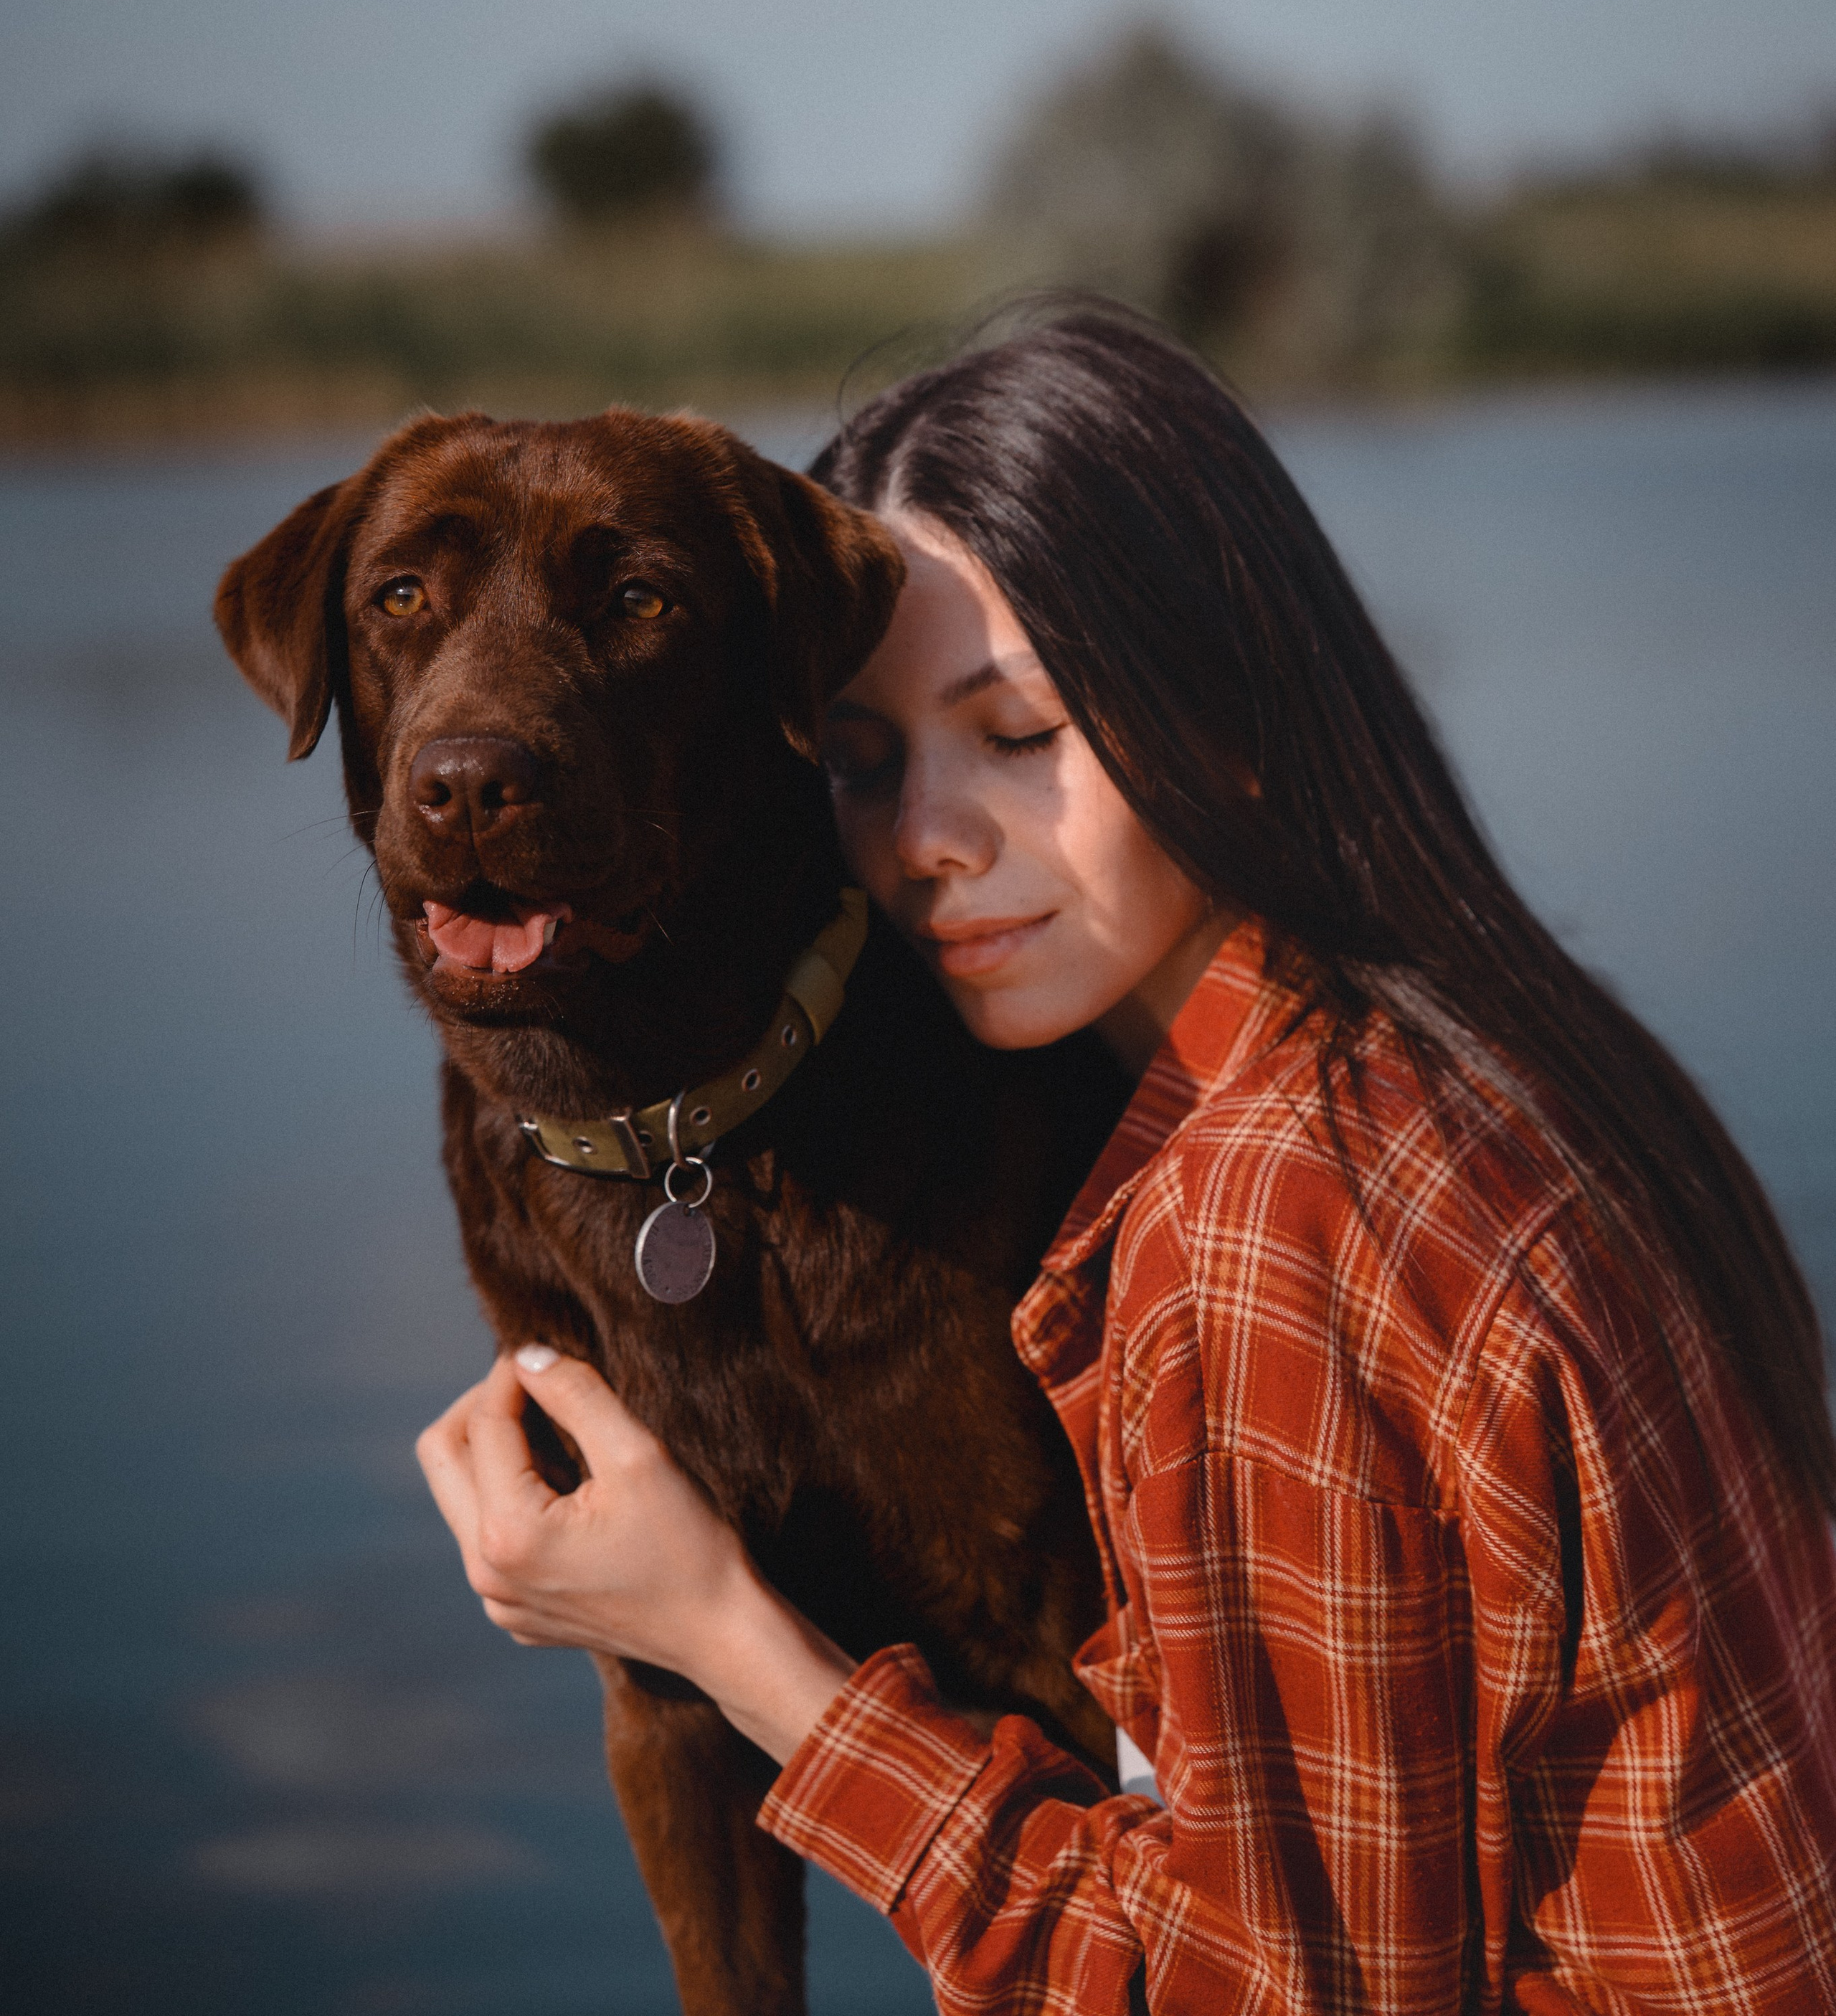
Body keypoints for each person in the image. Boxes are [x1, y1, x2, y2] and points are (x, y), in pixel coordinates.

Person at [417, 302, 1836, 2012]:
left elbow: (1265, 1994)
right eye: (862, 764)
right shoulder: (1482, 1061)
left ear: (1220, 704)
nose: (927, 838)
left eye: (1017, 737)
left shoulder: (1264, 1223)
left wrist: (728, 1641)